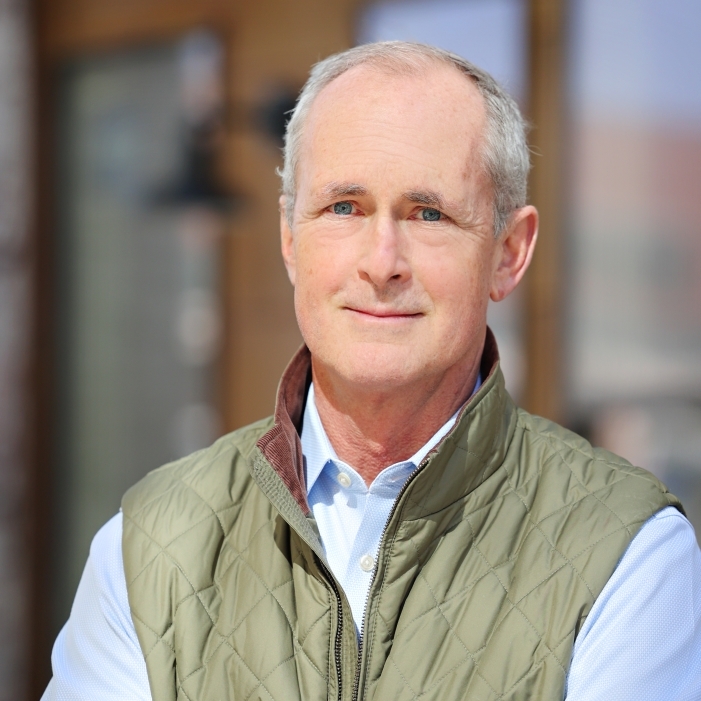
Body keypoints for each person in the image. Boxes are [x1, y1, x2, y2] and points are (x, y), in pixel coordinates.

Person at [43, 41, 701, 701]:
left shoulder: (627, 553)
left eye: (428, 213)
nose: (381, 261)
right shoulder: (148, 544)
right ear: (289, 239)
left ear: (508, 252)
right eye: (344, 208)